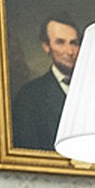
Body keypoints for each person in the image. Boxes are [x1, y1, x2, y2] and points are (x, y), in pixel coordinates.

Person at [11, 15, 81, 151]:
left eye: (74, 43)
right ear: (46, 47)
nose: (70, 51)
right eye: (60, 42)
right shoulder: (30, 95)